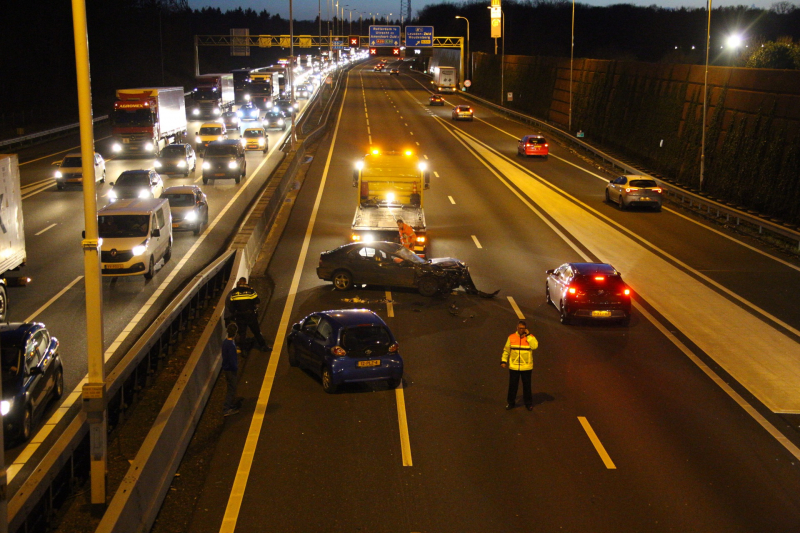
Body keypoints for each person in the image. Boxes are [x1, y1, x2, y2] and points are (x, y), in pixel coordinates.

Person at [501, 320, 539, 411]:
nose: (521, 330)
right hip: (514, 366)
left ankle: (528, 403)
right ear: (517, 328)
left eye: (523, 328)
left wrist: (528, 336)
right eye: (520, 328)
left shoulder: (530, 338)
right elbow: (506, 350)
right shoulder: (511, 337)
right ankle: (511, 402)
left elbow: (535, 346)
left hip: (526, 367)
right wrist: (503, 361)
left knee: (527, 386)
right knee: (512, 386)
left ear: (526, 329)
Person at [226, 277, 271, 352]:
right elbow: (257, 301)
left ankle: (243, 350)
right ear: (245, 282)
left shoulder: (234, 293)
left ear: (239, 283)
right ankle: (263, 346)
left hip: (240, 316)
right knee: (256, 332)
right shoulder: (251, 291)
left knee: (242, 334)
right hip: (250, 315)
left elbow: (231, 307)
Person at [222, 323, 240, 416]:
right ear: (235, 333)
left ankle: (230, 405)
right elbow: (233, 361)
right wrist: (236, 368)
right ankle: (227, 408)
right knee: (231, 389)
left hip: (226, 368)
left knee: (230, 387)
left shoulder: (225, 342)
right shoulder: (232, 345)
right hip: (231, 370)